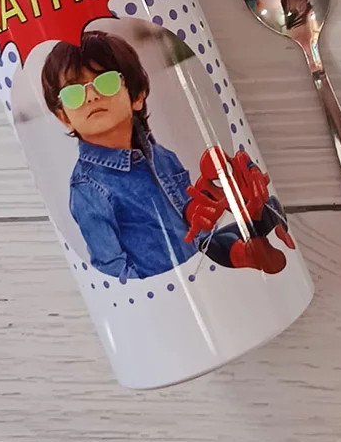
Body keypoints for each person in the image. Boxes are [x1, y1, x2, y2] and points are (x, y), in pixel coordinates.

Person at [41, 30, 294, 279]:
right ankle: (240, 253)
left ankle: (242, 251)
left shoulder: (161, 156)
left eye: (106, 82)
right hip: (170, 280)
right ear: (64, 117)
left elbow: (192, 215)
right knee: (228, 240)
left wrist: (211, 199)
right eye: (73, 93)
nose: (91, 96)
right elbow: (112, 267)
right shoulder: (87, 188)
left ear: (136, 97)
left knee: (268, 207)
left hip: (202, 254)